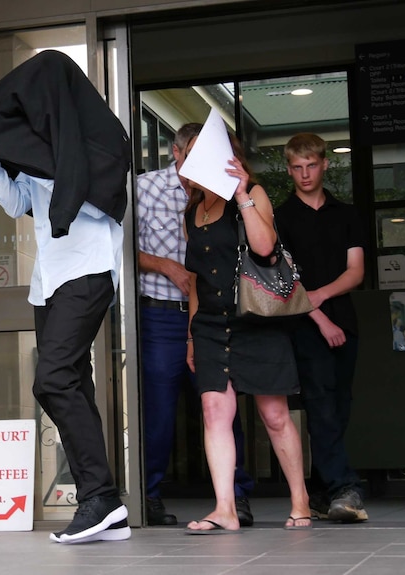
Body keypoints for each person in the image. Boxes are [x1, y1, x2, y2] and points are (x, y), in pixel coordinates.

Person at [0, 50, 132, 544]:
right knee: (71, 380)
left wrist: (55, 158)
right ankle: (105, 503)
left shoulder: (90, 142)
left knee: (50, 379)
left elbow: (92, 191)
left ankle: (97, 496)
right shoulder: (35, 149)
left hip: (88, 270)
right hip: (49, 280)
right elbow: (16, 203)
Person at [183, 135, 311, 533]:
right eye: (186, 158)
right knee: (214, 411)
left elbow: (264, 247)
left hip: (254, 320)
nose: (187, 165)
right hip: (209, 324)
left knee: (274, 415)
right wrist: (191, 335)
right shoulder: (192, 211)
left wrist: (241, 195)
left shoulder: (252, 193)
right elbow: (193, 281)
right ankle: (225, 509)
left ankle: (301, 501)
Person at [136, 122, 254, 528]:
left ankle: (236, 497)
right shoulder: (143, 188)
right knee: (158, 411)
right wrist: (166, 265)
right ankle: (147, 496)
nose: (196, 170)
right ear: (175, 152)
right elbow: (117, 247)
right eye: (191, 159)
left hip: (212, 315)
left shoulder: (219, 191)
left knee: (222, 407)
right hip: (158, 314)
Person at [274, 133, 368, 523]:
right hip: (304, 326)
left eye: (311, 165)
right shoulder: (280, 217)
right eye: (297, 167)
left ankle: (318, 490)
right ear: (289, 168)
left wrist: (320, 296)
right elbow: (282, 279)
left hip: (345, 322)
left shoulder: (346, 214)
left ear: (325, 164)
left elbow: (356, 272)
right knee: (321, 405)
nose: (305, 174)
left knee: (339, 407)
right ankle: (346, 489)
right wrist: (317, 314)